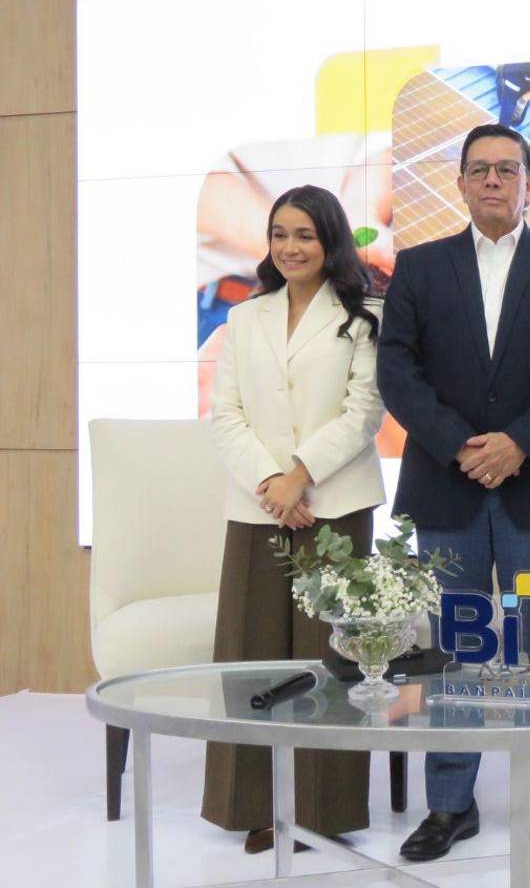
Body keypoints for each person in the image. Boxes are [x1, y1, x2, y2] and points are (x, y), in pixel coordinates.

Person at [377, 123, 530, 861]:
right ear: (458, 183)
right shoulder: (419, 267)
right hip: (447, 489)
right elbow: (396, 371)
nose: (492, 181)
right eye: (478, 170)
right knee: (458, 646)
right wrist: (459, 445)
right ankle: (450, 804)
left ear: (529, 183)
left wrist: (518, 444)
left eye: (507, 170)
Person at [202, 184, 386, 851]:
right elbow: (226, 414)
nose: (290, 246)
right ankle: (252, 805)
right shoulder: (245, 316)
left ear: (330, 239)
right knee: (250, 657)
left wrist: (300, 474)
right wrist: (270, 482)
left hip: (333, 504)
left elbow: (365, 410)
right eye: (280, 234)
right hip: (259, 508)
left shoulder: (365, 314)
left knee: (329, 658)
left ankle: (321, 810)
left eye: (304, 234)